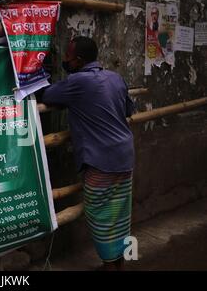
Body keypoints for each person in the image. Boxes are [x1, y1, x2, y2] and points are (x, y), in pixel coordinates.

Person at [42, 36, 135, 271]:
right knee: (119, 211)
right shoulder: (115, 77)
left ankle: (109, 264)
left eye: (68, 57)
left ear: (79, 60)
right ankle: (118, 262)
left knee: (99, 214)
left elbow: (48, 95)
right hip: (125, 155)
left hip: (101, 159)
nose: (65, 60)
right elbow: (128, 109)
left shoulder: (78, 82)